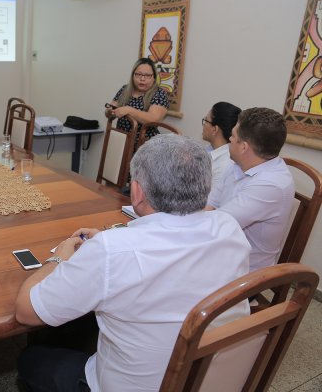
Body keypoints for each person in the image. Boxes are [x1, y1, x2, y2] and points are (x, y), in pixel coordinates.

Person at [15, 134, 251, 392]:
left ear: (137, 191)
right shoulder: (229, 227)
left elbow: (26, 312)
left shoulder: (112, 251)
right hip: (209, 378)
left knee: (32, 359)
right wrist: (111, 241)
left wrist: (58, 259)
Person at [207, 107, 295, 272]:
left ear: (244, 147)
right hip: (222, 251)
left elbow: (216, 225)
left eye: (233, 136)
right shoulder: (237, 165)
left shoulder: (271, 185)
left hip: (245, 270)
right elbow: (210, 205)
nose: (229, 139)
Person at [105, 57, 169, 140]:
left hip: (144, 144)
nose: (142, 79)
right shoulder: (125, 89)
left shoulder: (159, 93)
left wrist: (129, 110)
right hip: (122, 141)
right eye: (138, 74)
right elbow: (111, 109)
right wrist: (109, 112)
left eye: (147, 75)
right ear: (133, 75)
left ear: (154, 78)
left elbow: (154, 119)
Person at [201, 101, 241, 189]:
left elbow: (210, 200)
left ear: (215, 129)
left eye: (206, 120)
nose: (203, 125)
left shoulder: (224, 166)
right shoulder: (210, 149)